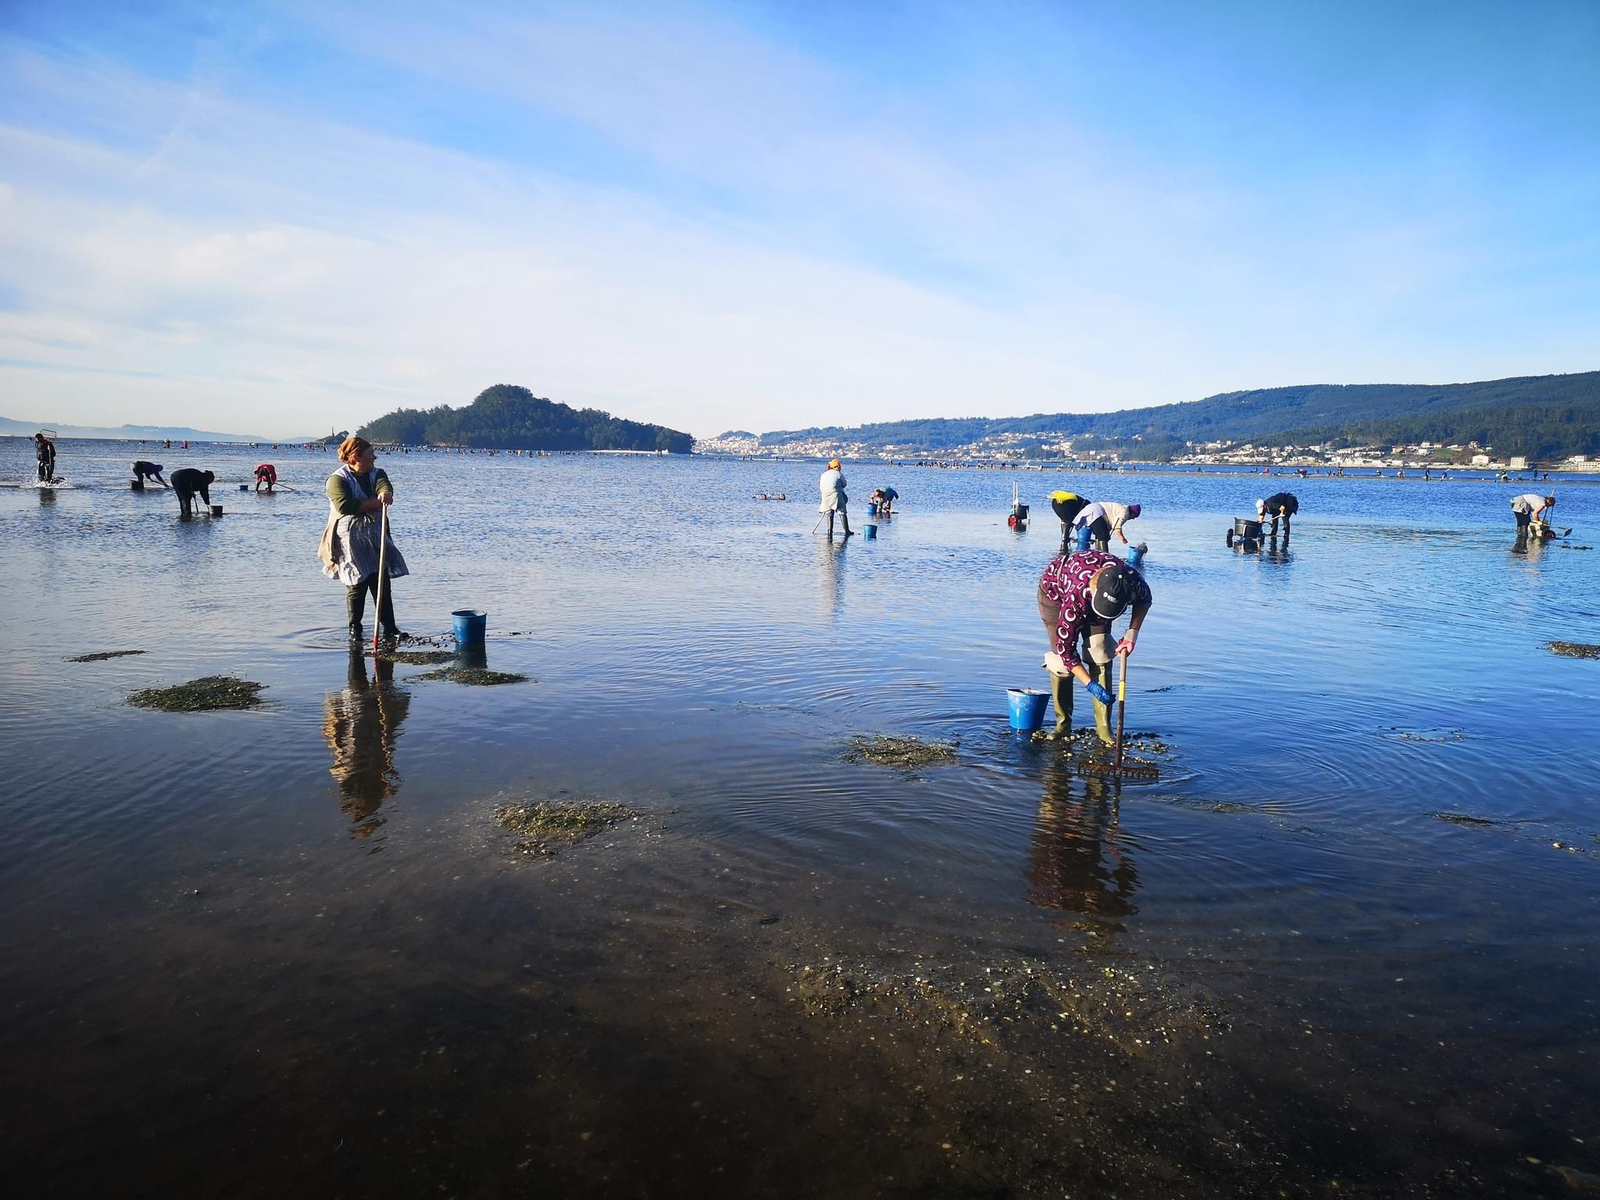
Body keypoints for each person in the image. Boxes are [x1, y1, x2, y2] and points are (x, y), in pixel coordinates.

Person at [1037, 547, 1152, 744]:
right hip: (1055, 595)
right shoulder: (1076, 595)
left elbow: (1145, 600)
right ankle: (1063, 725)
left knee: (1101, 651)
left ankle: (1104, 730)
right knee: (1061, 663)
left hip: (1100, 591)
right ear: (1094, 590)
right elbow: (1067, 651)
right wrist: (1090, 684)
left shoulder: (1131, 581)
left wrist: (1131, 634)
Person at [320, 436, 408, 642]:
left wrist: (385, 493)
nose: (374, 458)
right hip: (349, 538)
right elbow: (346, 506)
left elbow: (384, 486)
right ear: (355, 457)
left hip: (376, 534)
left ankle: (390, 628)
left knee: (381, 581)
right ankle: (355, 628)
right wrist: (374, 504)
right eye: (370, 455)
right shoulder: (337, 480)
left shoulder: (378, 473)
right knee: (356, 583)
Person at [1069, 500, 1141, 552]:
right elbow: (1117, 527)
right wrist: (1123, 539)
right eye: (1134, 516)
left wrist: (1107, 535)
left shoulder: (1122, 510)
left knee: (1101, 535)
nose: (1133, 518)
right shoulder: (1124, 512)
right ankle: (1104, 556)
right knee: (1103, 535)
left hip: (1093, 509)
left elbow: (1111, 523)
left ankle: (1098, 553)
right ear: (1132, 513)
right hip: (1096, 511)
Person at [818, 458, 852, 538]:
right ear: (838, 467)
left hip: (825, 495)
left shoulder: (824, 474)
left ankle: (830, 531)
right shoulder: (838, 474)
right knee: (841, 512)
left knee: (829, 513)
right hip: (836, 495)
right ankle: (847, 531)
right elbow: (844, 484)